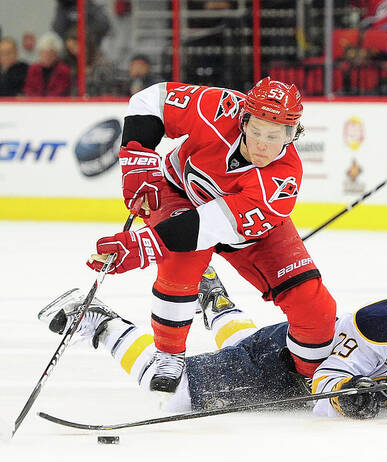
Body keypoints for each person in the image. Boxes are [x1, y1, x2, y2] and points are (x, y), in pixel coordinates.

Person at [85, 78, 337, 393]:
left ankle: (309, 378)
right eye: (255, 130)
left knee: (316, 307)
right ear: (243, 118)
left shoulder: (282, 180)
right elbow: (150, 100)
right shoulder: (220, 108)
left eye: (273, 137)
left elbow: (210, 226)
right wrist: (139, 164)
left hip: (243, 230)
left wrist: (143, 245)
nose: (261, 144)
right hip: (179, 195)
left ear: (292, 134)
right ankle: (169, 354)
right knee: (183, 262)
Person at [38, 268, 387, 418]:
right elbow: (322, 382)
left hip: (283, 353)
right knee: (173, 388)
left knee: (247, 341)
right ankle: (99, 322)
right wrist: (348, 401)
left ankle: (216, 299)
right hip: (285, 365)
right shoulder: (376, 324)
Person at [23, 32, 71, 97]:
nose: (46, 55)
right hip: (36, 105)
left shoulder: (63, 70)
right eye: (43, 52)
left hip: (57, 105)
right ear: (39, 53)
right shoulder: (33, 69)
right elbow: (29, 89)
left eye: (50, 52)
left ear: (56, 53)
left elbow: (62, 91)